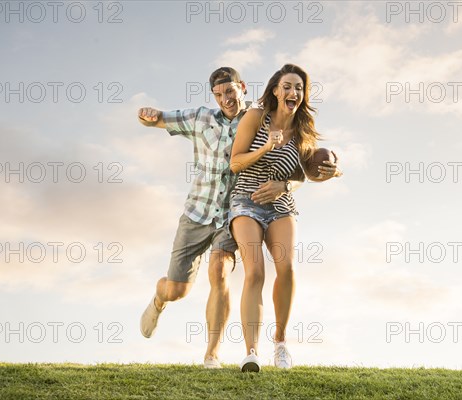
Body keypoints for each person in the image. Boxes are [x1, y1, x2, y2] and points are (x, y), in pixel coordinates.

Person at [137, 67, 287, 369]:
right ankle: (159, 298)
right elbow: (159, 119)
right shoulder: (201, 118)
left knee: (219, 270)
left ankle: (211, 354)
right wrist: (149, 114)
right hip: (197, 212)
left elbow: (291, 154)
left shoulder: (257, 120)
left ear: (242, 87)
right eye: (218, 95)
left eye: (230, 91)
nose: (225, 99)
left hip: (234, 211)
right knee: (177, 290)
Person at [229, 64, 342, 372]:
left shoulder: (303, 128)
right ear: (276, 90)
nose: (294, 92)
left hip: (281, 204)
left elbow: (307, 174)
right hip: (247, 199)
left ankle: (280, 344)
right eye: (288, 86)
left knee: (287, 268)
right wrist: (267, 145)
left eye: (299, 88)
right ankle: (251, 352)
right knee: (255, 272)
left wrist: (330, 172)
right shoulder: (256, 117)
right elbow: (235, 162)